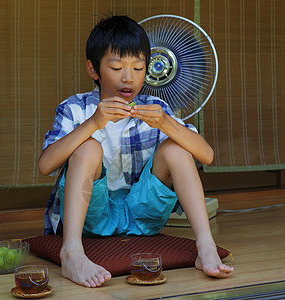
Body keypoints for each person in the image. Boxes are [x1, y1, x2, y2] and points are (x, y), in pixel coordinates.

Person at [38, 15, 233, 288]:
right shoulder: (75, 108)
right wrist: (94, 123)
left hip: (144, 216)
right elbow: (45, 165)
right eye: (116, 67)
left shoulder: (154, 107)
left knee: (177, 149)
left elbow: (207, 156)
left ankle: (206, 246)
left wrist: (165, 122)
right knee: (87, 148)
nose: (128, 77)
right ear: (93, 70)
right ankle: (71, 252)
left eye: (138, 67)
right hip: (93, 218)